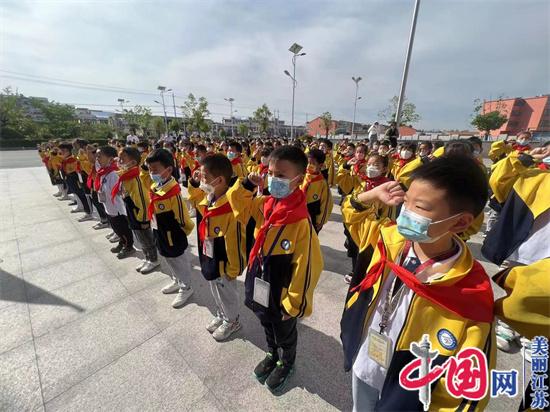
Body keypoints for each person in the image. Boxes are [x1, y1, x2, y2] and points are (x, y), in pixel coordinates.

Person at [341, 155, 494, 411]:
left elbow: (466, 391)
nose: (406, 212)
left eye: (419, 208)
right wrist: (371, 195)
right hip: (366, 359)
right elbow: (352, 215)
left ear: (460, 222)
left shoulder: (471, 291)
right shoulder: (388, 240)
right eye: (406, 201)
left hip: (408, 394)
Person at [227, 145, 323, 394]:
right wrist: (248, 185)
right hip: (261, 280)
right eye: (270, 172)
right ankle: (272, 353)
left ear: (298, 180)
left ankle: (287, 360)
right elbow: (237, 203)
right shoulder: (267, 204)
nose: (273, 179)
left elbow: (308, 268)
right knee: (266, 324)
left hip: (281, 293)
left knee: (284, 330)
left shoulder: (300, 221)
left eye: (280, 175)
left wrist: (292, 306)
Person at [187, 153, 246, 341]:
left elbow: (236, 242)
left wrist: (234, 269)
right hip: (210, 256)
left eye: (204, 176)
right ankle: (221, 314)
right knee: (215, 288)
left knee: (227, 293)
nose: (201, 179)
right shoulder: (210, 196)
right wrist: (195, 183)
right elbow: (194, 199)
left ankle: (232, 320)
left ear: (219, 180)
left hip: (225, 263)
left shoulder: (231, 207)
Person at [146, 148, 195, 308]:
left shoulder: (173, 192)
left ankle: (186, 287)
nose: (151, 173)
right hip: (159, 229)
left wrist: (182, 233)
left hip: (173, 233)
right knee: (167, 257)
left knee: (179, 260)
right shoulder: (156, 186)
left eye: (155, 170)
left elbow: (183, 218)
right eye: (150, 169)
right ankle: (177, 279)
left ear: (168, 170)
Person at [114, 147, 160, 274]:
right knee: (140, 237)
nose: (119, 161)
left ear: (133, 162)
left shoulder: (135, 178)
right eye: (119, 158)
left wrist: (144, 219)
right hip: (132, 211)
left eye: (123, 159)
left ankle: (153, 260)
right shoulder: (126, 175)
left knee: (146, 238)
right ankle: (147, 258)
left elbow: (143, 200)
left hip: (139, 214)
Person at [96, 146, 135, 258]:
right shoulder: (103, 172)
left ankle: (128, 246)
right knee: (116, 228)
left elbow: (119, 191)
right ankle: (122, 242)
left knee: (122, 228)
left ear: (110, 158)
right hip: (108, 206)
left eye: (100, 156)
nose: (97, 158)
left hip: (117, 208)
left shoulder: (113, 173)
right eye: (97, 156)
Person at [58, 142, 94, 221]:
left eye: (64, 150)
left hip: (76, 179)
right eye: (61, 150)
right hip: (70, 179)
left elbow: (73, 170)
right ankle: (85, 210)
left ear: (69, 151)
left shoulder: (73, 159)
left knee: (83, 196)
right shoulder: (66, 159)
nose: (62, 152)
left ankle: (89, 212)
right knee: (78, 195)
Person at [301, 148, 333, 233]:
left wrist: (320, 222)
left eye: (313, 163)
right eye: (307, 162)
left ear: (320, 165)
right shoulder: (301, 176)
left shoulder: (322, 184)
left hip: (312, 217)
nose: (308, 165)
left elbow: (325, 204)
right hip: (298, 213)